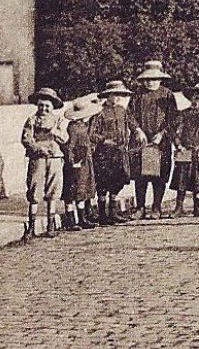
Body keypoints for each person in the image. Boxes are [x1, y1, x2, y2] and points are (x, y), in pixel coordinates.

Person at [131, 61, 178, 219]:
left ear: (160, 79)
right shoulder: (137, 95)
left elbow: (174, 119)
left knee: (159, 176)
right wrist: (137, 130)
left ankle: (156, 208)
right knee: (140, 176)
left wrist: (163, 133)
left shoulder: (167, 95)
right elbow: (129, 116)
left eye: (155, 78)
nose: (151, 82)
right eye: (148, 79)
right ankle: (140, 208)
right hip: (141, 140)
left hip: (161, 141)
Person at [20, 87, 68, 239]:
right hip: (38, 159)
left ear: (53, 106)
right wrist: (39, 149)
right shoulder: (32, 120)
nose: (44, 108)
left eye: (47, 106)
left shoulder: (58, 120)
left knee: (53, 192)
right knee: (35, 190)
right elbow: (26, 139)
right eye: (41, 105)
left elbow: (65, 138)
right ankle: (31, 226)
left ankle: (51, 224)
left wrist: (56, 133)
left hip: (54, 159)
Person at [91, 79, 141, 224]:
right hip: (105, 153)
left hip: (120, 152)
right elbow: (92, 133)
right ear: (108, 95)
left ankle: (113, 212)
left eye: (121, 95)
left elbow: (132, 123)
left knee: (118, 180)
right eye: (115, 94)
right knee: (103, 183)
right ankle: (102, 214)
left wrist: (137, 131)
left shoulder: (122, 110)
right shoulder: (99, 112)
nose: (118, 98)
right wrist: (104, 140)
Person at [170, 83, 199, 217]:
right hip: (185, 150)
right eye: (194, 98)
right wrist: (178, 145)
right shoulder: (183, 114)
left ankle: (198, 207)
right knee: (181, 179)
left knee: (198, 180)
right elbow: (174, 131)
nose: (196, 101)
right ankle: (178, 208)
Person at [61, 94, 103, 231]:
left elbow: (91, 132)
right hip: (76, 163)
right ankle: (71, 219)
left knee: (82, 190)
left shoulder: (82, 125)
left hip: (85, 162)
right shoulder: (74, 128)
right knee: (73, 192)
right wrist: (73, 161)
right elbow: (70, 146)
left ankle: (82, 217)